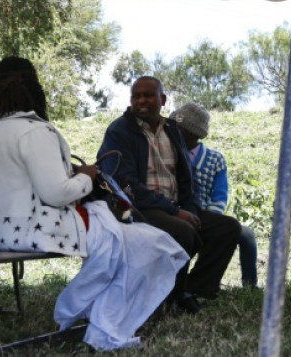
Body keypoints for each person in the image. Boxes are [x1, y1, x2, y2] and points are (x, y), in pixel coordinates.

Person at [0, 57, 188, 350]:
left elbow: (24, 185)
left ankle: (93, 310)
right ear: (35, 88)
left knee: (130, 241)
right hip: (38, 231)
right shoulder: (37, 131)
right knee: (154, 244)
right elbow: (58, 194)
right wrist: (87, 176)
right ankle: (104, 321)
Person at [97, 76, 241, 314]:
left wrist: (191, 211)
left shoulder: (173, 130)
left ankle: (191, 289)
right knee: (183, 231)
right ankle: (171, 295)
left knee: (228, 228)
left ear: (163, 99)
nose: (142, 100)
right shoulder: (120, 130)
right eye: (136, 96)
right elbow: (124, 183)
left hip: (175, 207)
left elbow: (188, 179)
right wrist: (175, 212)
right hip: (138, 208)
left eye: (149, 95)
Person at [172, 102, 259, 288]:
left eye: (180, 130)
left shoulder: (215, 159)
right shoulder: (169, 154)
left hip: (208, 216)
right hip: (178, 213)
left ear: (194, 134)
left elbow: (220, 195)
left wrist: (210, 218)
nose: (174, 134)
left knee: (246, 235)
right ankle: (185, 284)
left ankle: (250, 285)